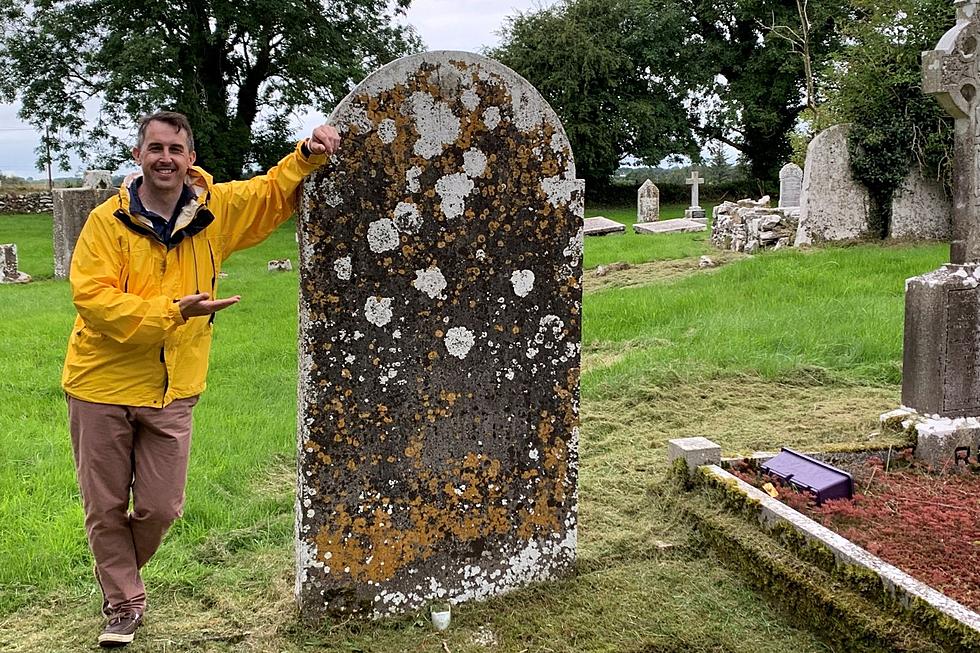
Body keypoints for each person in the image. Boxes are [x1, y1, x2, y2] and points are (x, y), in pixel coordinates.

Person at [61, 111, 340, 648]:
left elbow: (269, 193)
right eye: (155, 148)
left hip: (174, 389)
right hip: (99, 386)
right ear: (138, 155)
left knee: (162, 507)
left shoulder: (216, 213)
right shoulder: (105, 223)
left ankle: (118, 575)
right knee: (105, 506)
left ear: (190, 159)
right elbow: (93, 300)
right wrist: (173, 312)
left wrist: (308, 154)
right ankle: (124, 602)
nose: (165, 158)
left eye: (176, 149)